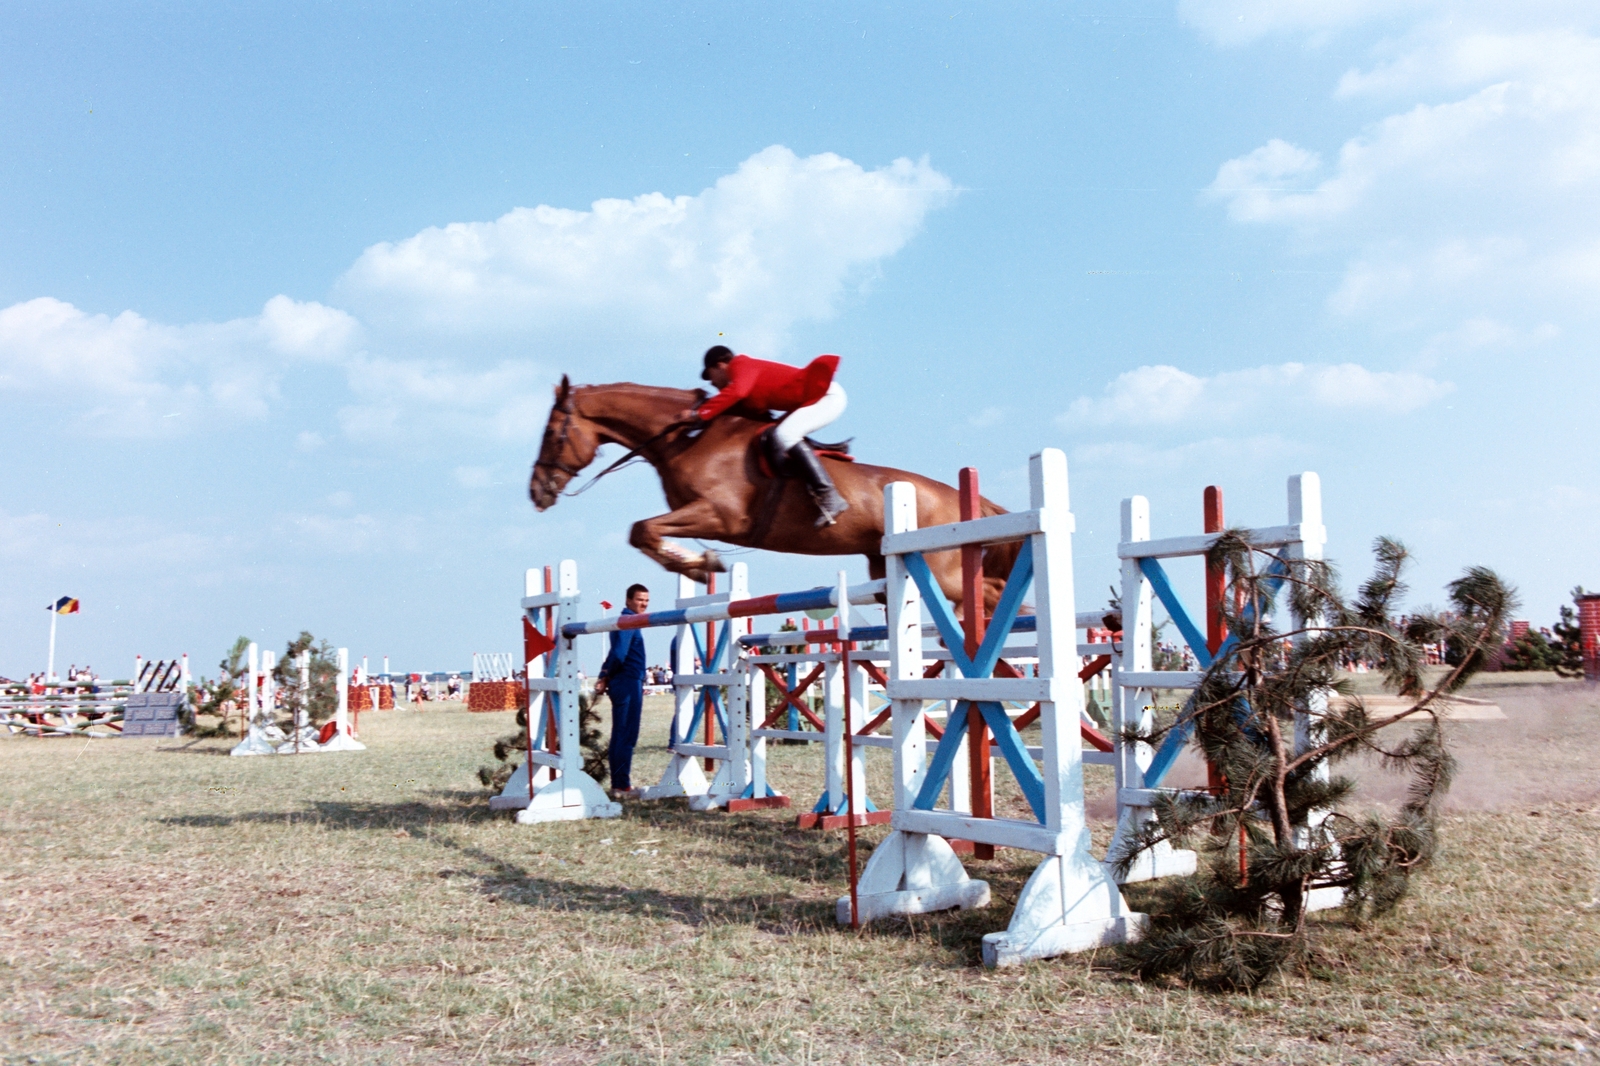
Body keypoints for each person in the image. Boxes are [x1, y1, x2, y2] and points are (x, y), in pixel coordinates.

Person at [689, 345, 849, 527]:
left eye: (710, 376)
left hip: (826, 396)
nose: (712, 383)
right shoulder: (745, 377)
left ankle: (829, 496)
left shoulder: (740, 365)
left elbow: (737, 392)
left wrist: (699, 414)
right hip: (817, 399)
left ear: (720, 365)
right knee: (775, 434)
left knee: (786, 434)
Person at [593, 583, 650, 798]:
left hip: (622, 680)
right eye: (639, 600)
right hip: (627, 681)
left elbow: (613, 654)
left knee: (620, 734)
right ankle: (622, 786)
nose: (643, 604)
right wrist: (607, 675)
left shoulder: (622, 620)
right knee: (626, 735)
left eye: (646, 600)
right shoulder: (629, 621)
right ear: (628, 600)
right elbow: (618, 654)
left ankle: (619, 784)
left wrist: (603, 674)